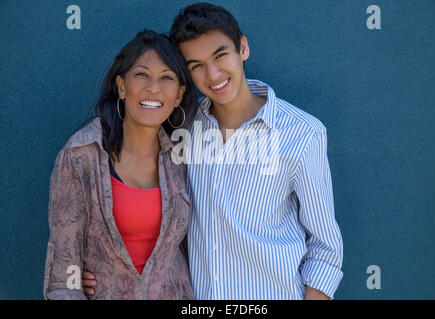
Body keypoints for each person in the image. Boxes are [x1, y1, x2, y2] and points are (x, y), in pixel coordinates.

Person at [85, 2, 344, 300]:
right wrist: (98, 266)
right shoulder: (180, 130)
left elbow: (326, 248)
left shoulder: (302, 133)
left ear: (243, 48)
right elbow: (143, 207)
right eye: (196, 66)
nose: (213, 74)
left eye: (220, 56)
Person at [43, 29, 197, 299]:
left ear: (178, 95)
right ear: (122, 86)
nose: (153, 87)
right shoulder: (81, 156)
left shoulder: (182, 159)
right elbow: (63, 276)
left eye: (167, 78)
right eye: (142, 75)